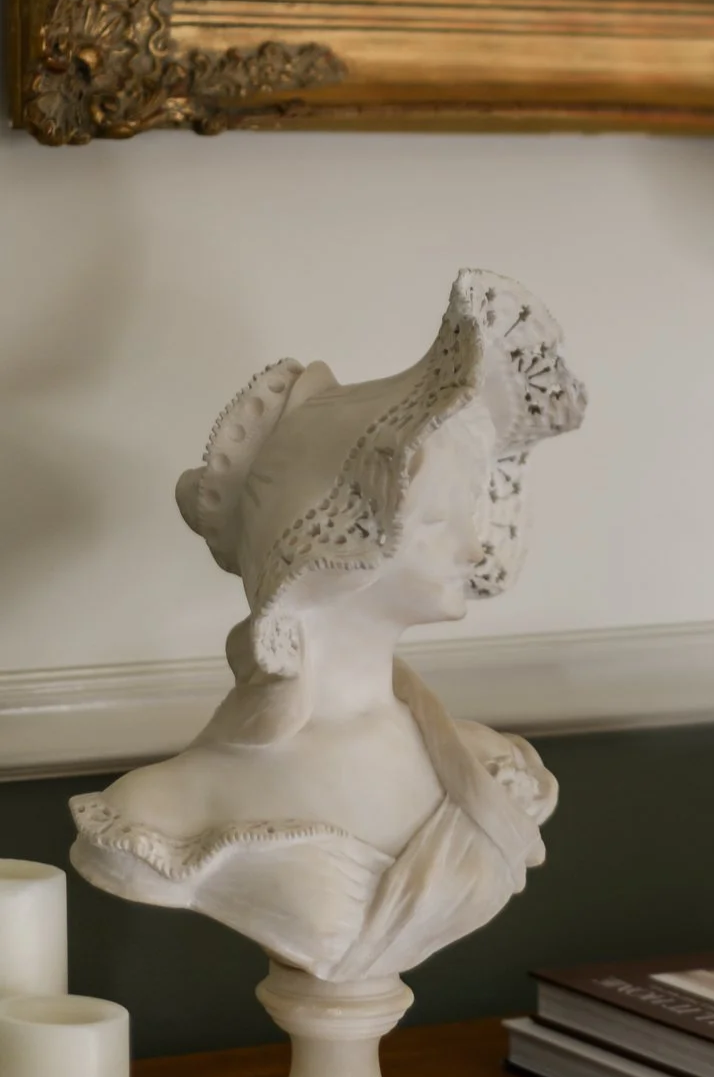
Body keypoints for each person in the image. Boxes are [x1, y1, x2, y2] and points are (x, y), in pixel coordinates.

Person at [71, 270, 585, 983]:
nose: (470, 549)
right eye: (437, 521)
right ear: (338, 542)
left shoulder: (490, 766)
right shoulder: (163, 806)